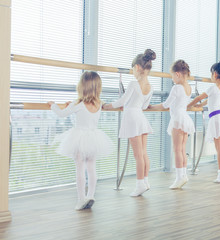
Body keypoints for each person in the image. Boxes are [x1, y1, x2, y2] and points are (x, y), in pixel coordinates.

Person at [48, 71, 113, 210]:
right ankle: (91, 195)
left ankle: (80, 199)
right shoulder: (99, 104)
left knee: (79, 169)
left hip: (79, 138)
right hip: (94, 138)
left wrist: (53, 105)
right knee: (91, 167)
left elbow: (61, 114)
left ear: (81, 86)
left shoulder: (78, 103)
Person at [102, 49, 156, 197]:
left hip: (132, 118)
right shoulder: (150, 87)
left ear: (137, 67)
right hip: (140, 116)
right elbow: (144, 106)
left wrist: (106, 106)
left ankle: (139, 185)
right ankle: (145, 181)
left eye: (132, 69)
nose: (133, 72)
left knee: (138, 155)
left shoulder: (133, 83)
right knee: (144, 153)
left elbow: (122, 101)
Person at [148, 60, 195, 189]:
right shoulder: (188, 87)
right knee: (182, 149)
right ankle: (183, 175)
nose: (172, 78)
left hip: (178, 119)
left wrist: (151, 106)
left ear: (178, 74)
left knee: (177, 149)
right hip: (185, 118)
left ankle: (180, 177)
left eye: (172, 76)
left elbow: (165, 104)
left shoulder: (177, 87)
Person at [187, 60, 220, 183]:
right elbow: (209, 101)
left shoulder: (212, 88)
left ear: (215, 74)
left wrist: (188, 105)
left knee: (219, 149)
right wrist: (200, 105)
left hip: (217, 119)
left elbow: (198, 97)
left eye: (211, 73)